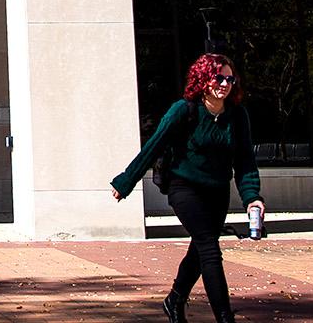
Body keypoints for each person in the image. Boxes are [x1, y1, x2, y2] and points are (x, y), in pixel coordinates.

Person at [110, 53, 265, 323]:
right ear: (204, 79)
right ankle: (225, 319)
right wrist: (126, 181)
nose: (225, 84)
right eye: (219, 77)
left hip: (217, 191)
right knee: (209, 248)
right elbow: (153, 146)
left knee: (200, 248)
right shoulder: (184, 110)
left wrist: (252, 198)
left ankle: (175, 299)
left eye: (230, 79)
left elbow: (244, 161)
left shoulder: (237, 116)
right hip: (184, 187)